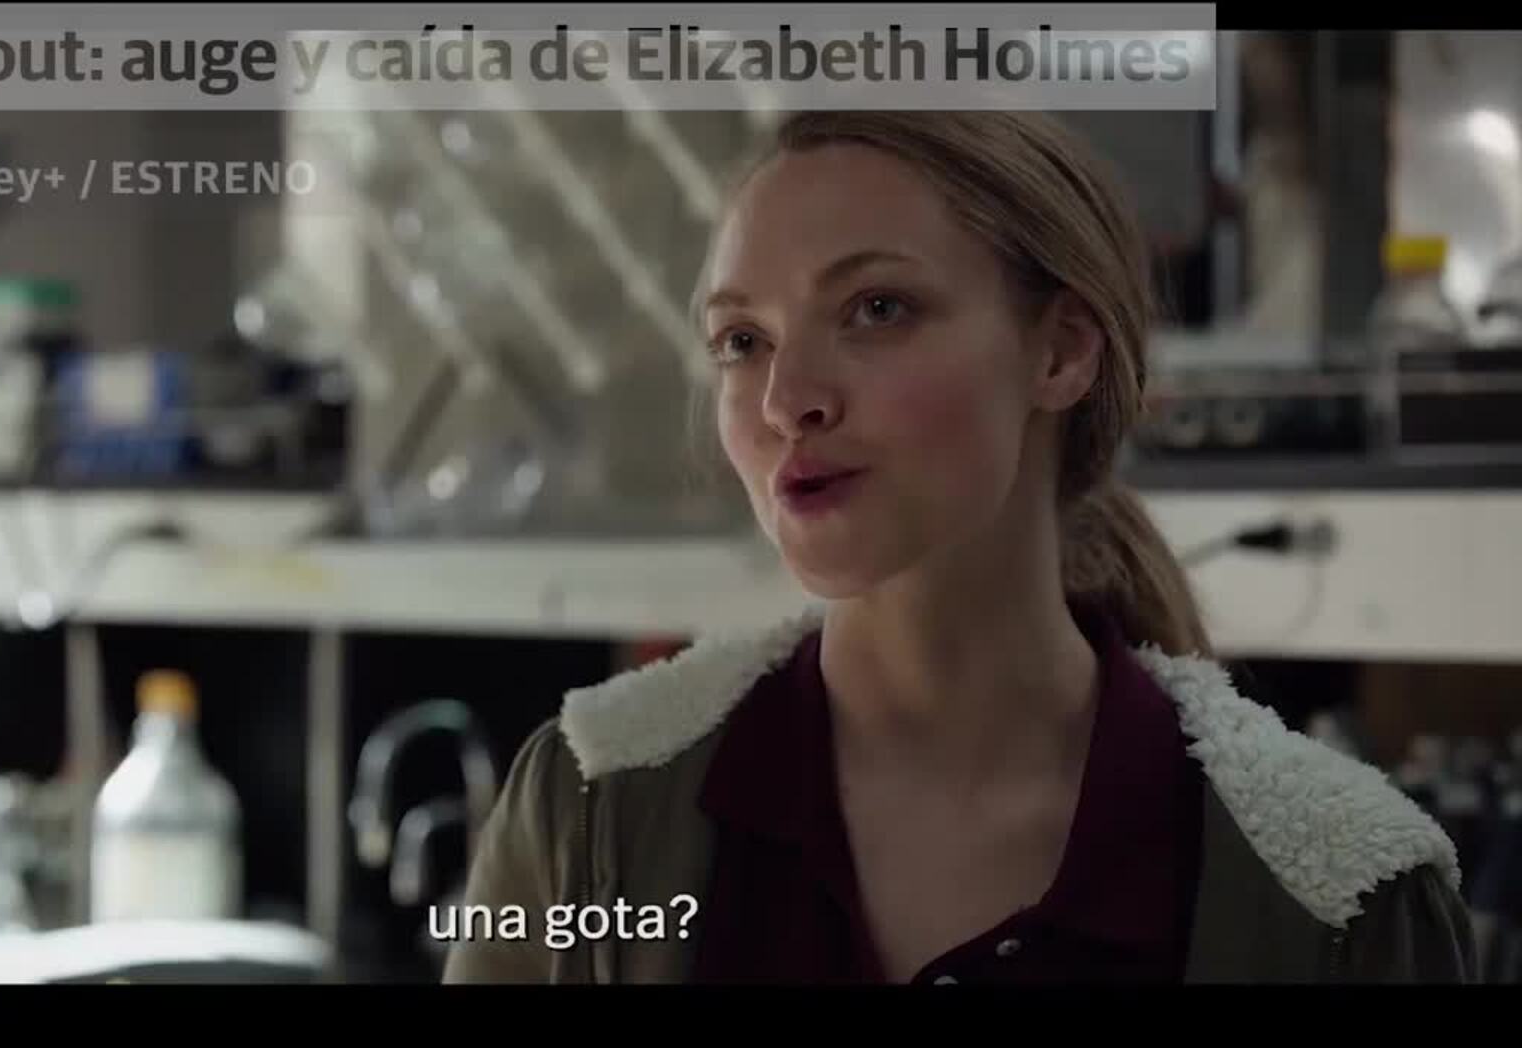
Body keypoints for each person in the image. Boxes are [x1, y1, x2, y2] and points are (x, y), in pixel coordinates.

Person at [439, 110, 1478, 985]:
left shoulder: (1339, 901)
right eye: (742, 341)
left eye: (876, 309)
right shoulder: (586, 809)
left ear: (1060, 352)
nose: (787, 399)